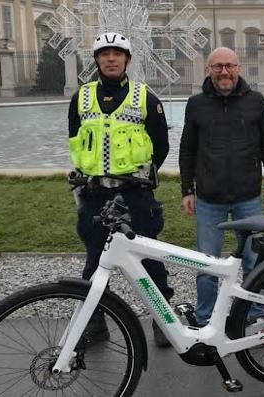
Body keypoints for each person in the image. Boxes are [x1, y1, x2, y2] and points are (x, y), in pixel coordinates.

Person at [67, 32, 173, 347]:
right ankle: (96, 323)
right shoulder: (81, 98)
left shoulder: (146, 98)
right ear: (97, 60)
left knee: (150, 259)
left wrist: (137, 175)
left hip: (135, 194)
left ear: (127, 59)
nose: (111, 59)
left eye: (117, 53)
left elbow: (161, 146)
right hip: (95, 194)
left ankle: (161, 320)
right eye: (104, 54)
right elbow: (75, 138)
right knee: (95, 262)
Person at [179, 47, 264, 326]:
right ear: (208, 70)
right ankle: (205, 317)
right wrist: (187, 189)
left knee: (252, 262)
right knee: (207, 264)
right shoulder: (196, 104)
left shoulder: (256, 101)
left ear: (239, 68)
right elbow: (187, 150)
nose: (224, 72)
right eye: (218, 66)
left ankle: (254, 315)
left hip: (248, 197)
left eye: (230, 66)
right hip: (209, 199)